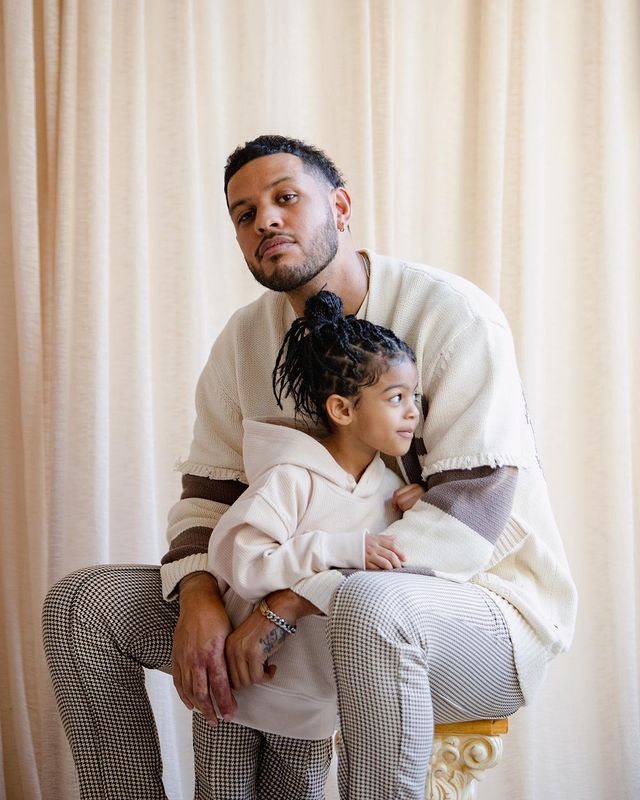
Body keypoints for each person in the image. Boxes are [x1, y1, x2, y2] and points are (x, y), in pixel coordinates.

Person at [43, 134, 577, 800]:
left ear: (341, 207)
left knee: (369, 606)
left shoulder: (451, 315)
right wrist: (200, 596)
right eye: (244, 213)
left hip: (477, 609)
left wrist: (290, 603)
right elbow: (209, 498)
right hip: (294, 608)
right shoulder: (243, 341)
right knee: (82, 607)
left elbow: (472, 509)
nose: (265, 219)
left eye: (286, 198)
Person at [201, 289, 424, 798]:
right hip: (237, 696)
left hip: (313, 710)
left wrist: (420, 508)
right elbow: (249, 567)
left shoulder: (390, 490)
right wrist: (337, 547)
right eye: (396, 398)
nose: (412, 412)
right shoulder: (290, 477)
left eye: (415, 397)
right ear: (342, 408)